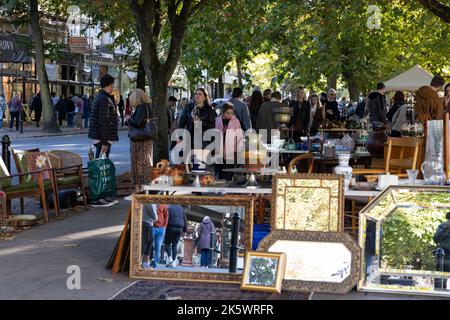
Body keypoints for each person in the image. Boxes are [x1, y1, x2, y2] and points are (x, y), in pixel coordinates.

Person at [126, 88, 155, 193]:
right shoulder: (147, 106)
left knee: (138, 164)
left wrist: (129, 119)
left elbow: (138, 123)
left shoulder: (141, 107)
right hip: (145, 139)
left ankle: (139, 190)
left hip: (139, 140)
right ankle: (144, 189)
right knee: (145, 163)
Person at [88, 74, 119, 159]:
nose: (112, 88)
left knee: (100, 161)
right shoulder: (104, 99)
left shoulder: (100, 96)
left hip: (100, 136)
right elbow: (103, 121)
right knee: (101, 163)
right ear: (107, 85)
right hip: (103, 137)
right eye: (111, 85)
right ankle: (96, 173)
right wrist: (105, 142)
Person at [215, 102, 244, 179]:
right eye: (227, 113)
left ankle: (227, 189)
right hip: (219, 151)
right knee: (220, 172)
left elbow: (239, 137)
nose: (229, 115)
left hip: (230, 151)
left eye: (231, 113)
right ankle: (221, 190)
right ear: (223, 112)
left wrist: (239, 150)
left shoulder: (236, 121)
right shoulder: (217, 120)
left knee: (228, 173)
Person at [141, 204, 158, 269]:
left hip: (148, 223)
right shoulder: (150, 203)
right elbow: (155, 217)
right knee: (146, 243)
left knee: (149, 243)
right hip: (146, 223)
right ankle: (142, 263)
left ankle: (146, 263)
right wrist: (156, 217)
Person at [151, 204, 168, 269]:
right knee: (150, 245)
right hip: (153, 226)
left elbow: (166, 215)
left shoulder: (163, 205)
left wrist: (164, 226)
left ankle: (155, 264)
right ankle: (149, 261)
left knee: (158, 247)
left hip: (161, 228)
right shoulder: (152, 204)